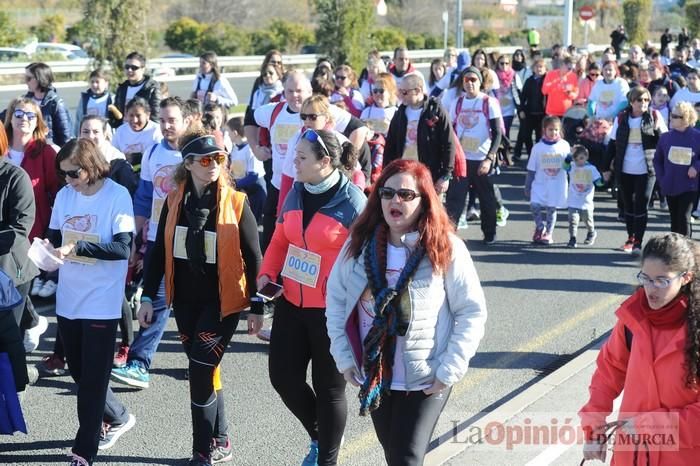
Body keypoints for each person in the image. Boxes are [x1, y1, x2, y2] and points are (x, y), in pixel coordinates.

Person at [325, 159, 487, 466]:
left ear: (425, 201)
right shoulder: (358, 246)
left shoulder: (446, 247)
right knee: (394, 457)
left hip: (426, 379)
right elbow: (336, 302)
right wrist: (344, 357)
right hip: (378, 377)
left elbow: (471, 312)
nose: (394, 201)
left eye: (405, 195)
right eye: (387, 193)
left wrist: (449, 369)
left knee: (406, 458)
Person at [137, 129, 263, 466]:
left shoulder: (236, 203)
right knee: (207, 370)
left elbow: (254, 258)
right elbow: (158, 251)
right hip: (186, 302)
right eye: (206, 160)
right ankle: (221, 439)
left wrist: (258, 305)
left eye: (220, 158)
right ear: (189, 164)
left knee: (199, 368)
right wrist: (148, 296)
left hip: (224, 303)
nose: (215, 165)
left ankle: (201, 452)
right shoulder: (175, 200)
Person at [257, 129, 366, 466]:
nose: (294, 163)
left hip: (332, 312)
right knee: (283, 378)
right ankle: (321, 435)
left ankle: (326, 458)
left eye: (301, 158)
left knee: (329, 390)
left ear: (325, 162)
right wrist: (266, 273)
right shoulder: (295, 191)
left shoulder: (353, 202)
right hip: (291, 302)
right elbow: (279, 239)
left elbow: (367, 260)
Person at [46, 138, 136, 466]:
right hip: (69, 297)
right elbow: (55, 236)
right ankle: (120, 415)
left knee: (94, 381)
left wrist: (79, 248)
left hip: (102, 299)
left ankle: (84, 451)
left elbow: (123, 248)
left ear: (91, 167)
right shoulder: (64, 195)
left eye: (72, 173)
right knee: (80, 373)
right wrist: (46, 249)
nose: (67, 180)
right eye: (63, 174)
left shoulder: (116, 195)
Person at [580, 233, 700, 466]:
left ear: (686, 278)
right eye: (646, 278)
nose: (651, 289)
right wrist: (594, 428)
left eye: (662, 281)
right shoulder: (632, 319)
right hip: (632, 456)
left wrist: (650, 427)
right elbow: (608, 372)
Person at [110, 97, 193, 389]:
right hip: (159, 237)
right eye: (164, 120)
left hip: (189, 241)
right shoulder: (153, 152)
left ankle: (201, 362)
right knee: (157, 299)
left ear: (186, 121)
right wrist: (135, 237)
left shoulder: (195, 154)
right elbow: (145, 197)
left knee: (190, 304)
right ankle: (139, 364)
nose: (168, 126)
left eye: (173, 120)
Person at [4, 97, 58, 352]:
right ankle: (34, 322)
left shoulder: (45, 152)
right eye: (18, 113)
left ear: (38, 121)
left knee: (17, 283)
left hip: (32, 235)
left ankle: (15, 370)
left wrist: (52, 234)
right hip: (4, 236)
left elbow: (56, 194)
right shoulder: (3, 148)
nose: (23, 119)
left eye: (30, 115)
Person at [604, 86, 667, 255]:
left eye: (646, 100)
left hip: (647, 169)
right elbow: (611, 144)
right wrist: (605, 168)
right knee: (627, 206)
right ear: (632, 101)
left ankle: (638, 242)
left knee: (641, 205)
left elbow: (665, 143)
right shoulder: (622, 118)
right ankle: (630, 238)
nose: (643, 103)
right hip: (625, 169)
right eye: (640, 100)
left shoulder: (654, 116)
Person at [444, 66, 502, 244]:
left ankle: (489, 234)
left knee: (487, 199)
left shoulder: (488, 102)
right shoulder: (457, 103)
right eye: (466, 80)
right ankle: (449, 235)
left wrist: (489, 158)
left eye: (473, 80)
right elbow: (451, 131)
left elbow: (498, 133)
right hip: (462, 160)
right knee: (455, 199)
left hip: (481, 159)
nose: (469, 83)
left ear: (479, 82)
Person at [0, 124, 38, 395]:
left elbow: (20, 227)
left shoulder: (16, 177)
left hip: (13, 270)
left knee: (7, 337)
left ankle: (18, 385)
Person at [383, 71, 455, 194]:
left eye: (404, 92)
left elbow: (448, 143)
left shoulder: (436, 110)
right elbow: (390, 145)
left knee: (431, 210)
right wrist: (386, 172)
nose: (401, 95)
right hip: (404, 171)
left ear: (418, 90)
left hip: (430, 173)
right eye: (400, 91)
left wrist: (446, 175)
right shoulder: (400, 113)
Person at [653, 102, 700, 237]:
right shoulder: (665, 137)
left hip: (689, 186)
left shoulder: (697, 137)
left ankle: (686, 250)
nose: (670, 118)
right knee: (674, 219)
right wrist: (662, 179)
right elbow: (657, 160)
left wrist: (696, 167)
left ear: (685, 118)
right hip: (670, 185)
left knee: (684, 217)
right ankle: (675, 249)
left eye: (674, 116)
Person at [524, 116, 571, 245]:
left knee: (551, 209)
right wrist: (527, 186)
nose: (553, 132)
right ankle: (540, 227)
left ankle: (548, 233)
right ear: (544, 130)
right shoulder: (538, 148)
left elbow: (569, 167)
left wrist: (569, 162)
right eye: (550, 129)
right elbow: (531, 169)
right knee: (534, 206)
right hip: (540, 184)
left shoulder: (564, 146)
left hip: (556, 185)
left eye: (556, 130)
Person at [23, 62, 72, 147]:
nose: (26, 82)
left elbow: (66, 136)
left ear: (40, 79)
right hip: (29, 150)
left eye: (28, 78)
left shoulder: (56, 103)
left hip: (49, 151)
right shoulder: (25, 100)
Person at [227, 116, 266, 223]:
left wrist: (234, 185)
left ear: (235, 133)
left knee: (252, 225)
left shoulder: (250, 149)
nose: (228, 135)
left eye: (228, 132)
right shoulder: (235, 148)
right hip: (243, 191)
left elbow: (253, 176)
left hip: (255, 193)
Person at [564, 145, 603, 248]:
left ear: (586, 157)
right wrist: (569, 156)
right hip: (573, 200)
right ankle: (572, 238)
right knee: (573, 220)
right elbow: (564, 166)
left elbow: (599, 182)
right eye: (576, 159)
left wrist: (603, 181)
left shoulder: (591, 169)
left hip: (586, 202)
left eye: (581, 158)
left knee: (588, 221)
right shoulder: (572, 166)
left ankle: (591, 232)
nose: (579, 162)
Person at [111, 97, 163, 174]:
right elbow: (113, 155)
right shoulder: (120, 131)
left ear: (147, 115)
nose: (135, 120)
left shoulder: (157, 130)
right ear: (126, 115)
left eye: (138, 115)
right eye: (131, 115)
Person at [114, 52, 161, 127]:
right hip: (125, 131)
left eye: (134, 68)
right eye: (127, 67)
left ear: (143, 69)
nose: (129, 70)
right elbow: (117, 114)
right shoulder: (122, 88)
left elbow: (156, 115)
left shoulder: (151, 87)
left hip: (144, 131)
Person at [514, 58, 547, 160]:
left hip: (542, 113)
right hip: (529, 112)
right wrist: (521, 110)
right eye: (537, 67)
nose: (539, 69)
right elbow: (523, 97)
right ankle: (531, 154)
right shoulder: (529, 81)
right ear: (533, 68)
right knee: (526, 135)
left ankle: (538, 156)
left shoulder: (547, 81)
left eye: (541, 67)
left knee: (540, 137)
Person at [74, 69, 119, 135]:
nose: (94, 85)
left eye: (97, 82)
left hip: (106, 136)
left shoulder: (112, 99)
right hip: (88, 135)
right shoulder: (85, 99)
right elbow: (79, 119)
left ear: (106, 83)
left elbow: (117, 120)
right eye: (92, 82)